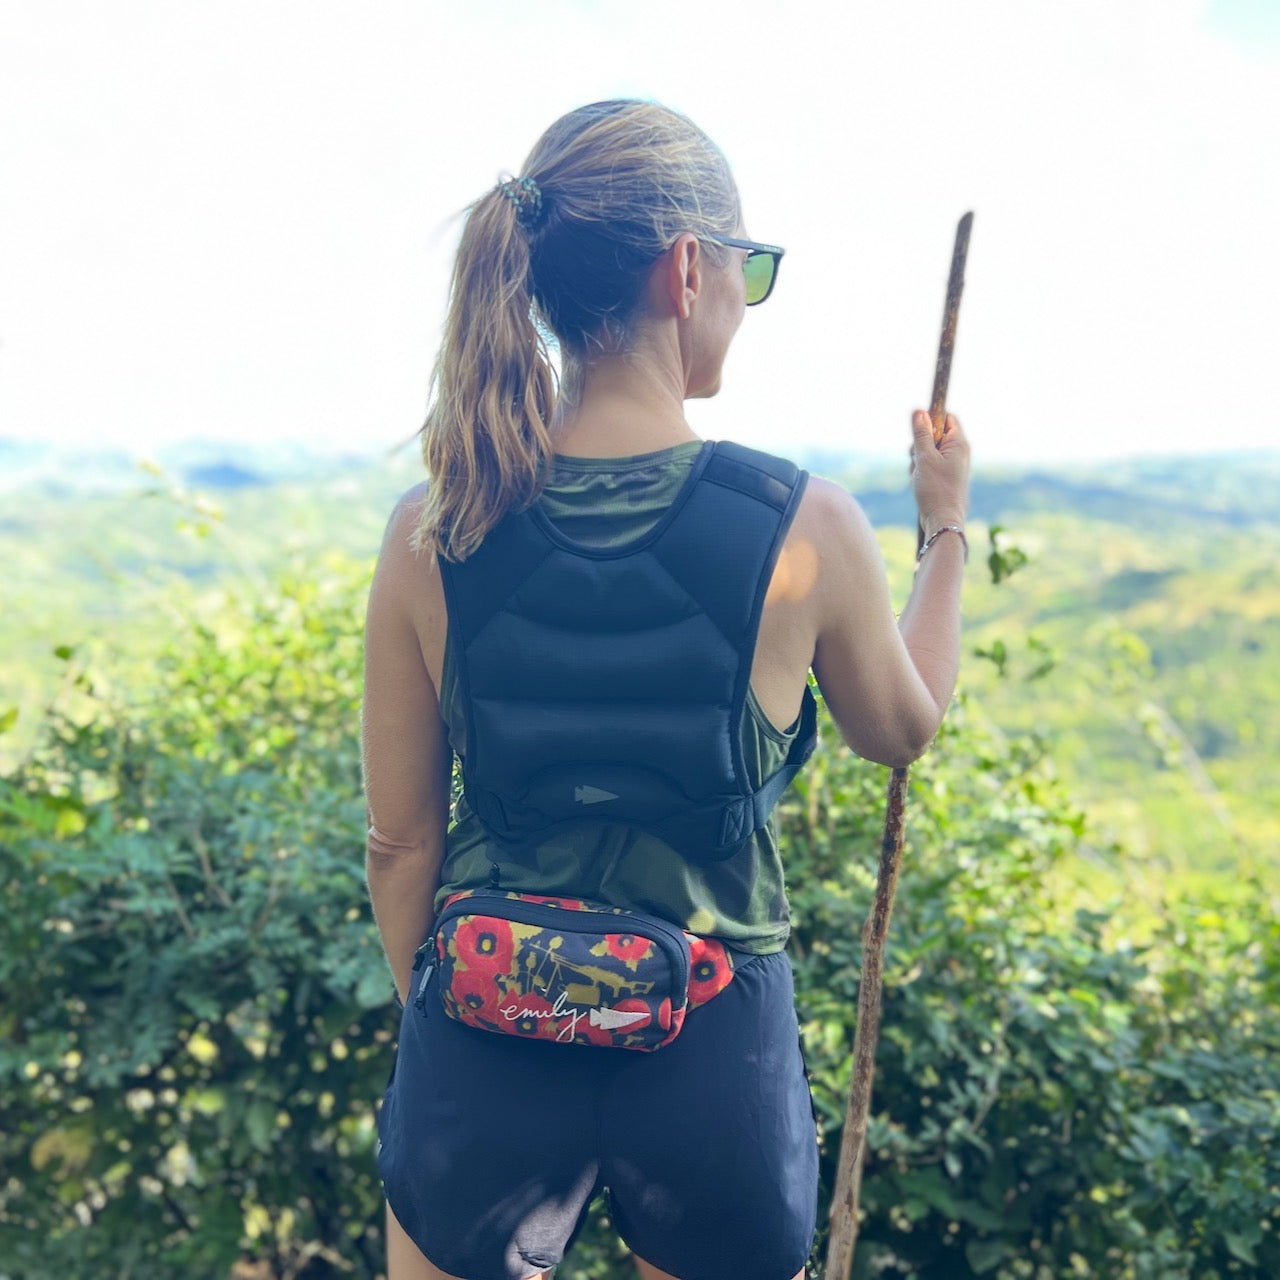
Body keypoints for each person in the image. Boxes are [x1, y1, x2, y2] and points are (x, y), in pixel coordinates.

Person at [362, 99, 969, 1280]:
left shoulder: (436, 526)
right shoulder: (801, 522)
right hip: (710, 1048)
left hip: (485, 1017)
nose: (746, 299)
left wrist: (449, 1014)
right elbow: (901, 728)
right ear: (688, 269)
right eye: (752, 269)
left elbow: (398, 841)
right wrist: (941, 530)